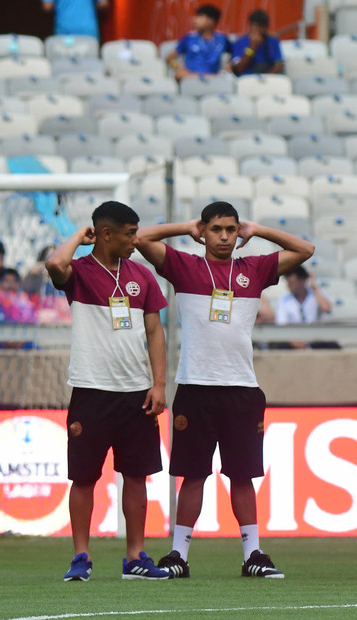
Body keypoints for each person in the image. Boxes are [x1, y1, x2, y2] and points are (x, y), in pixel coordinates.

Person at [135, 201, 315, 580]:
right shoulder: (184, 266)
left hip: (242, 389)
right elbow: (140, 238)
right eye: (215, 229)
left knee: (242, 475)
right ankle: (178, 555)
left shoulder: (254, 269)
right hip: (195, 387)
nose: (224, 237)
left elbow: (305, 250)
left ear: (238, 232)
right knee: (193, 475)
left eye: (231, 230)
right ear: (204, 231)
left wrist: (259, 229)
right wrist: (185, 227)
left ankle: (253, 555)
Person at [45, 201, 170, 582]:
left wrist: (159, 384)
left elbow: (155, 332)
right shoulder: (80, 273)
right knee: (84, 478)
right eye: (129, 234)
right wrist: (77, 237)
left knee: (136, 476)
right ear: (105, 234)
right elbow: (54, 264)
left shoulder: (142, 276)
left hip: (137, 392)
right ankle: (81, 556)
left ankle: (135, 556)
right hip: (91, 390)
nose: (135, 241)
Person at [167, 4, 227, 80]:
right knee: (179, 74)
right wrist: (178, 67)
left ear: (211, 21)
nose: (195, 20)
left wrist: (228, 67)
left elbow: (234, 55)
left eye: (200, 17)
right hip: (190, 77)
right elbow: (169, 58)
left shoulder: (222, 39)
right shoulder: (189, 38)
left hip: (213, 78)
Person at [231, 10, 284, 76]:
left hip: (268, 77)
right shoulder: (240, 43)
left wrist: (266, 78)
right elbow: (239, 69)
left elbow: (279, 64)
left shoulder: (272, 41)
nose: (257, 30)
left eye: (260, 26)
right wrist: (252, 48)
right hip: (247, 78)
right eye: (254, 26)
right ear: (250, 25)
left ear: (266, 28)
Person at [42, 0, 108, 40]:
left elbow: (47, 6)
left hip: (64, 27)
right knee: (90, 58)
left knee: (62, 59)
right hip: (87, 27)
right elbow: (103, 3)